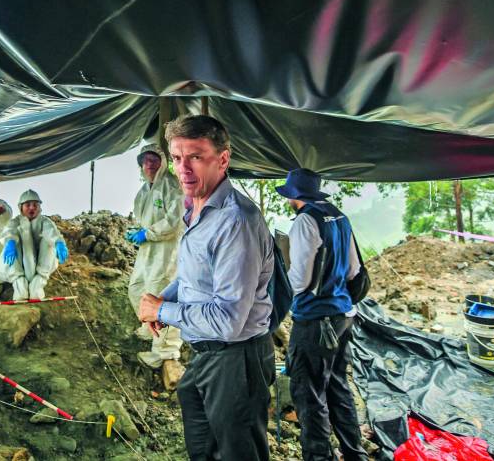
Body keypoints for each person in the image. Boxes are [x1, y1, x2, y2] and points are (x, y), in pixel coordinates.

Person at [138, 115, 275, 461]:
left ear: (223, 159)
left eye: (196, 157)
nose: (183, 168)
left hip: (237, 359)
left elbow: (228, 320)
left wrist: (162, 310)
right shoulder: (198, 208)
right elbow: (195, 278)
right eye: (177, 157)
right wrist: (167, 298)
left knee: (237, 453)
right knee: (203, 448)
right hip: (208, 355)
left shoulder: (235, 222)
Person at [275, 168, 369, 461]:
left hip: (315, 321)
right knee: (337, 386)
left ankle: (318, 457)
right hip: (342, 317)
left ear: (294, 196)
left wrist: (275, 288)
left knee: (309, 393)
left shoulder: (305, 222)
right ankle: (355, 453)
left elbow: (300, 281)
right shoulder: (339, 216)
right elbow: (355, 271)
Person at [127, 143, 185, 369]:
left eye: (154, 160)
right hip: (148, 250)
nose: (149, 165)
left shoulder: (171, 186)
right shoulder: (144, 191)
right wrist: (137, 231)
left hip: (166, 251)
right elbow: (142, 217)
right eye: (145, 161)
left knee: (161, 293)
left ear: (162, 162)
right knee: (137, 288)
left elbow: (174, 221)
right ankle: (148, 327)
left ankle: (165, 351)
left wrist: (148, 233)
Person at [0, 189, 68, 300]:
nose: (32, 208)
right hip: (21, 265)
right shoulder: (15, 222)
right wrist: (10, 242)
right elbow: (9, 231)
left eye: (35, 205)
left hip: (40, 264)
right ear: (21, 207)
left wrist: (58, 242)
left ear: (39, 207)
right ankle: (19, 284)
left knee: (49, 240)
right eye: (28, 205)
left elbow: (51, 232)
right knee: (12, 242)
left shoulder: (45, 221)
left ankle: (38, 283)